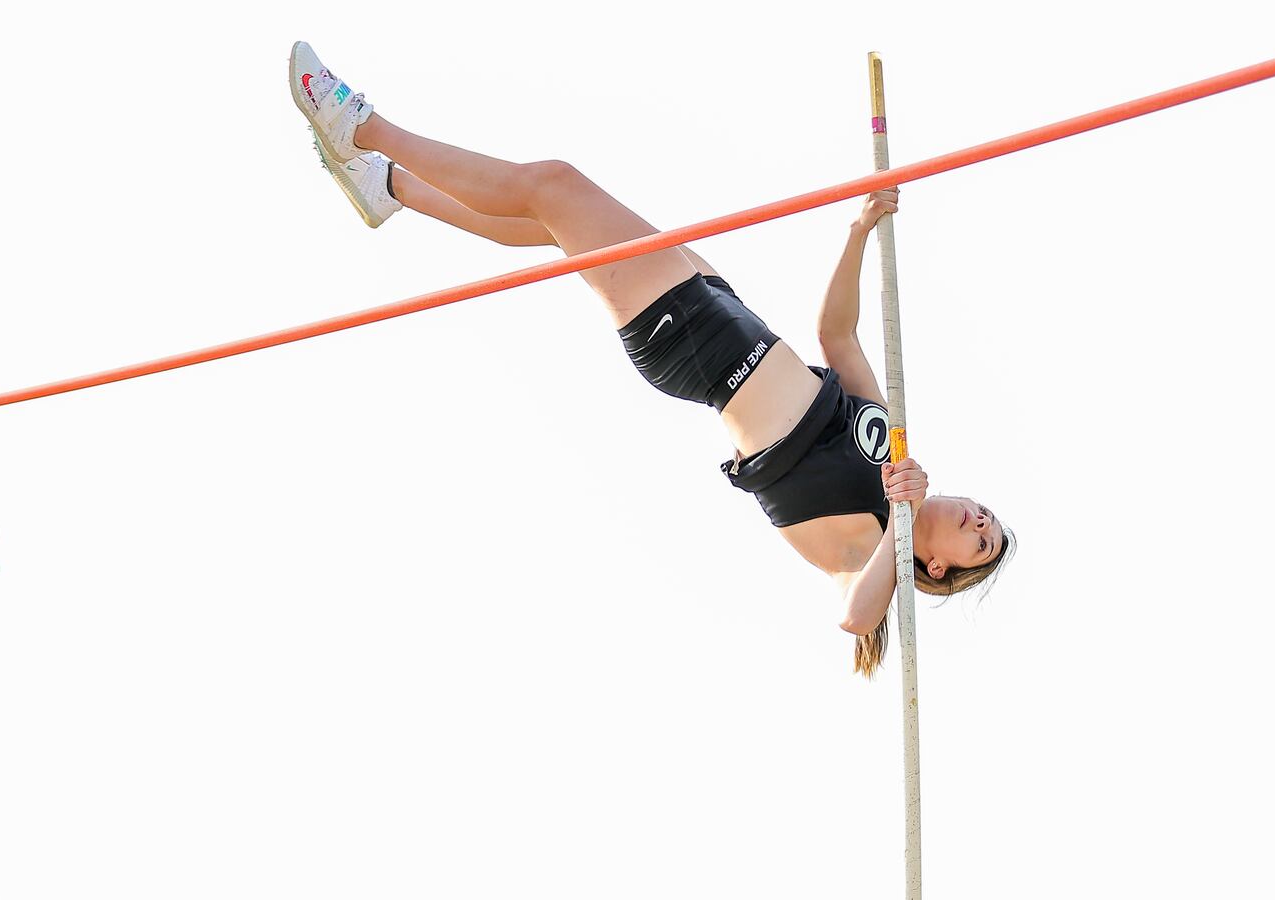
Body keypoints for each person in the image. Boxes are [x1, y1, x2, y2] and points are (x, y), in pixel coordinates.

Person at [289, 42, 1014, 676]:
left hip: (696, 348)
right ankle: (388, 187)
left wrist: (899, 515)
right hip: (728, 318)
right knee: (552, 223)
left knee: (553, 186)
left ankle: (361, 129)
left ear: (941, 567)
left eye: (980, 541)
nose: (978, 519)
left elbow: (855, 619)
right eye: (988, 516)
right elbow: (837, 338)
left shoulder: (867, 548)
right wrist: (859, 232)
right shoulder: (893, 448)